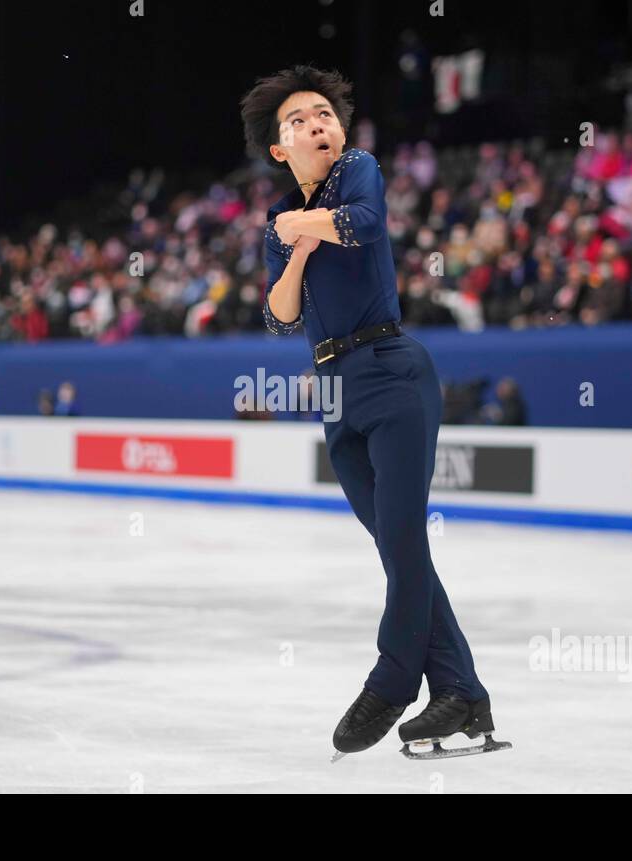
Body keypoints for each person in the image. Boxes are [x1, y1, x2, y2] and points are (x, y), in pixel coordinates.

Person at [241, 65, 500, 760]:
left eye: (324, 113)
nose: (317, 124)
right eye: (299, 120)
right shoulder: (281, 226)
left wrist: (309, 223)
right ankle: (462, 690)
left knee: (404, 538)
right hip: (334, 391)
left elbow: (364, 223)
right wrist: (294, 241)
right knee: (395, 546)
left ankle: (392, 680)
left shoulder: (359, 167)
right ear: (278, 148)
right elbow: (276, 316)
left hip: (390, 372)